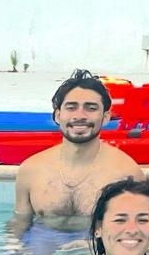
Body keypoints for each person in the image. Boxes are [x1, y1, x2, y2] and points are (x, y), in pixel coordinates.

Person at [13, 70, 141, 231]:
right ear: (58, 115)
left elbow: (136, 232)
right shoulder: (30, 170)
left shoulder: (126, 173)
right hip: (43, 245)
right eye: (71, 107)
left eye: (91, 108)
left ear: (106, 117)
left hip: (95, 246)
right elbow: (19, 225)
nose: (80, 115)